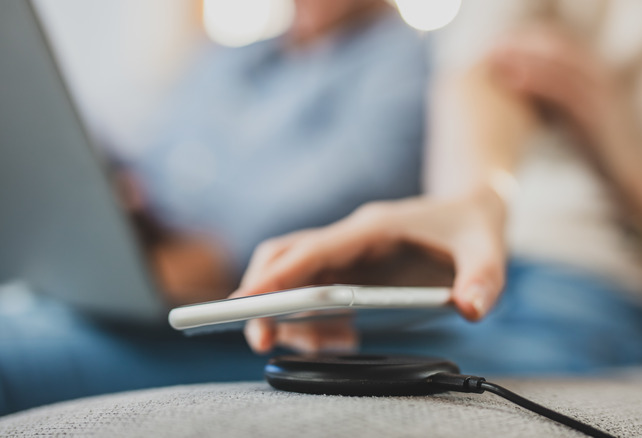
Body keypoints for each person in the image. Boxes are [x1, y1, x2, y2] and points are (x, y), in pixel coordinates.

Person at [232, 0, 642, 365]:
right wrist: (475, 206)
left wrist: (628, 167)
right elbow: (486, 62)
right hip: (459, 283)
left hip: (599, 294)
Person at [0, 0, 429, 416]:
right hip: (147, 289)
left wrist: (196, 254)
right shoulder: (227, 60)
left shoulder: (407, 66)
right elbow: (157, 163)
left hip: (266, 328)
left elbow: (321, 205)